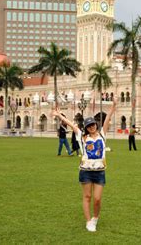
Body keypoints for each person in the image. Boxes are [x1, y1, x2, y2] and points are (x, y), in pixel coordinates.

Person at [51, 97, 117, 233]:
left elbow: (107, 119)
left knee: (97, 199)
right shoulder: (82, 137)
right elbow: (72, 125)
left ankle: (95, 218)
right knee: (87, 197)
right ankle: (88, 222)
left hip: (100, 172)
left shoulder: (102, 135)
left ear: (96, 125)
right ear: (86, 128)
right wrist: (59, 116)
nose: (92, 127)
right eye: (89, 125)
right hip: (85, 172)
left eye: (93, 124)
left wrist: (113, 106)